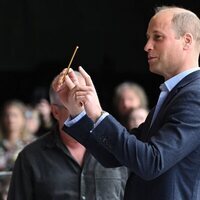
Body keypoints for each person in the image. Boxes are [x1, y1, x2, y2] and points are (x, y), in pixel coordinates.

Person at [53, 6, 200, 200]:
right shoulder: (175, 94)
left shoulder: (194, 95)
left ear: (186, 41)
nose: (147, 46)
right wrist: (77, 113)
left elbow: (151, 163)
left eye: (157, 37)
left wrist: (98, 114)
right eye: (148, 38)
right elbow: (113, 155)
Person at [7, 71, 128, 200]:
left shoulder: (116, 148)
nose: (86, 111)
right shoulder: (30, 157)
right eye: (76, 105)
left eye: (88, 103)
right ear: (55, 112)